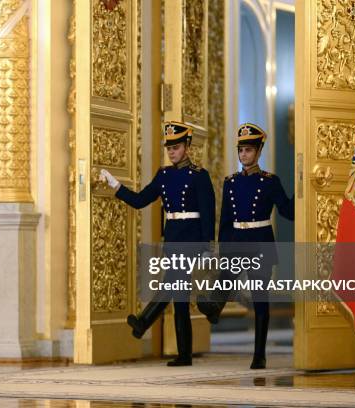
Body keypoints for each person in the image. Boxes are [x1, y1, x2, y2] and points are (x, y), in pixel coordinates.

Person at [101, 121, 215, 366]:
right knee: (180, 297)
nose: (171, 151)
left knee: (173, 285)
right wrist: (117, 186)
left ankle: (144, 321)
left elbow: (208, 212)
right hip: (173, 238)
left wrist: (207, 246)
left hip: (192, 238)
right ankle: (184, 354)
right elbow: (141, 200)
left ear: (186, 146)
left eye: (175, 147)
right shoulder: (163, 175)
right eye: (168, 148)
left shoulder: (199, 176)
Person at [197, 123, 294, 369]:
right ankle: (214, 307)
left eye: (249, 150)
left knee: (261, 299)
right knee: (225, 277)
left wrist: (303, 194)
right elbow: (226, 220)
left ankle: (259, 354)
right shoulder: (231, 182)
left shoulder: (270, 181)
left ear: (259, 151)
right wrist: (221, 249)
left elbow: (286, 210)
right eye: (241, 151)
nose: (244, 155)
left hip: (260, 242)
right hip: (237, 242)